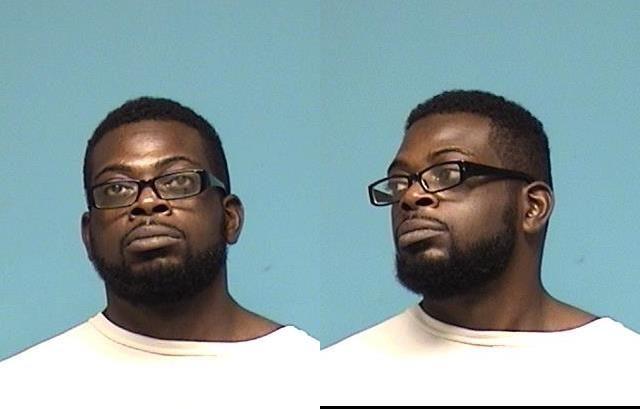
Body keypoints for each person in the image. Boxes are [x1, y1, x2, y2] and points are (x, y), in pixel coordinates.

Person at [322, 90, 640, 405]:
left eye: (447, 173)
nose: (410, 196)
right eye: (399, 182)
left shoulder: (624, 373)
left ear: (533, 207)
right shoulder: (334, 380)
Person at [0, 97, 318, 408]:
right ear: (88, 236)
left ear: (229, 218)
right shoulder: (17, 390)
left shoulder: (312, 376)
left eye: (178, 181)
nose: (148, 202)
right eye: (116, 188)